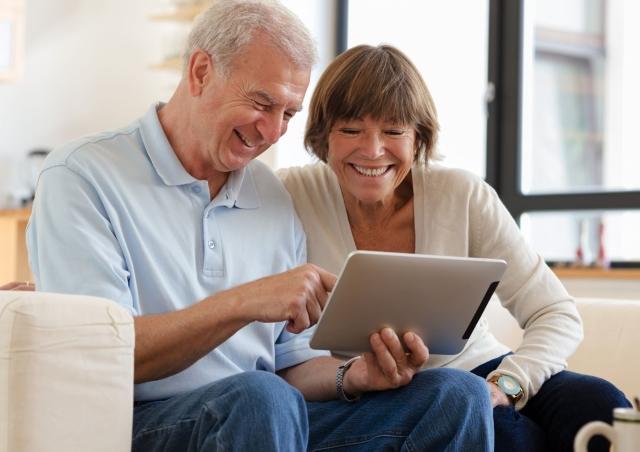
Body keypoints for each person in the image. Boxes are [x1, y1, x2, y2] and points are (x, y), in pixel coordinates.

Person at [26, 2, 494, 451]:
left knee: (456, 395)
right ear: (201, 72)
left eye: (288, 114)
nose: (272, 132)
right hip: (141, 422)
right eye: (261, 103)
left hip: (269, 418)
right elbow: (100, 355)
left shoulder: (269, 195)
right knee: (260, 397)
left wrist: (354, 375)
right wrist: (243, 303)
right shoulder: (83, 175)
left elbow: (292, 366)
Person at [278, 44, 631, 452]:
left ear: (418, 138)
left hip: (482, 371)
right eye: (351, 130)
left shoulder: (461, 194)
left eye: (394, 131)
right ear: (323, 135)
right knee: (511, 436)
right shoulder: (289, 195)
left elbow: (556, 312)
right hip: (376, 391)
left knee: (601, 405)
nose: (373, 150)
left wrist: (508, 384)